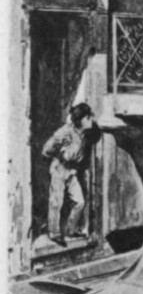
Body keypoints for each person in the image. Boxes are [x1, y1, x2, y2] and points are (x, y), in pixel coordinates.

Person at [42, 102, 101, 243]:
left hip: (71, 171)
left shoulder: (85, 134)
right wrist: (59, 156)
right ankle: (54, 233)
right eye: (88, 117)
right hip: (59, 168)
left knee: (80, 202)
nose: (91, 120)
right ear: (81, 119)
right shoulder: (65, 132)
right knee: (56, 202)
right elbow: (47, 149)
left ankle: (71, 229)